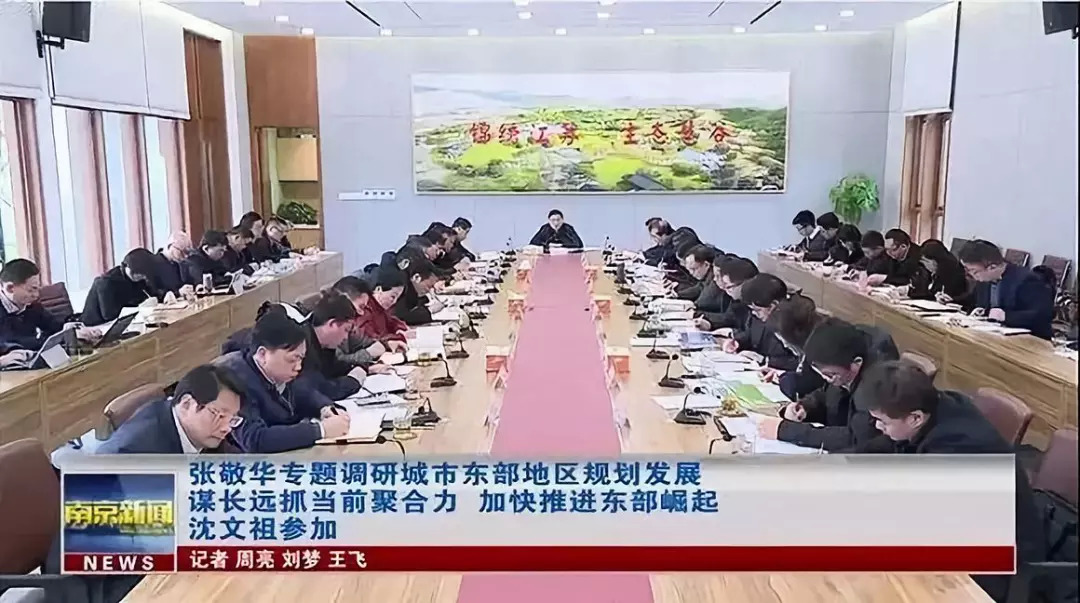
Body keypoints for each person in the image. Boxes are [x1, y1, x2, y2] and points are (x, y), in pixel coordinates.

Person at [852, 361, 1045, 602]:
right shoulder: (936, 407)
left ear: (915, 418)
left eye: (883, 422)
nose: (878, 427)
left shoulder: (957, 446)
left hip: (998, 564)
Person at [217, 310, 350, 453]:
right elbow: (255, 439)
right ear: (263, 354)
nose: (298, 367)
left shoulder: (278, 372)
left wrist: (325, 408)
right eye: (293, 359)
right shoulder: (232, 382)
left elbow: (302, 391)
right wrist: (320, 430)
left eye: (301, 359)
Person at [754, 318, 895, 452]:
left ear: (856, 363)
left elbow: (855, 439)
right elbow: (828, 394)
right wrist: (805, 407)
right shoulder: (841, 370)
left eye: (830, 375)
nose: (826, 379)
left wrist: (787, 431)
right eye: (821, 374)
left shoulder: (877, 387)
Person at [97, 364, 244, 454]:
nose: (226, 428)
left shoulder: (201, 431)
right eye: (220, 416)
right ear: (187, 404)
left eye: (232, 419)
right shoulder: (134, 455)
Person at [958, 239, 1055, 339]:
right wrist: (954, 302)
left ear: (992, 267)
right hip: (992, 334)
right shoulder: (985, 280)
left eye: (974, 271)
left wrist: (1005, 316)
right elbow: (973, 301)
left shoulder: (1026, 280)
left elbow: (1043, 315)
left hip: (1028, 339)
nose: (971, 275)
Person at [714, 259, 797, 371]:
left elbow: (799, 363)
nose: (754, 313)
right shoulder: (758, 314)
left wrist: (765, 360)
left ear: (773, 305)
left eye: (757, 310)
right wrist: (737, 342)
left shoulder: (792, 324)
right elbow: (751, 334)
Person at [293, 291, 367, 407]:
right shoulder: (302, 344)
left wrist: (363, 367)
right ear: (332, 324)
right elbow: (323, 390)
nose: (346, 338)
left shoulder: (323, 344)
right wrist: (354, 380)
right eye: (346, 330)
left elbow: (334, 367)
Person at [330, 276, 405, 367]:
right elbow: (337, 363)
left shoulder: (348, 325)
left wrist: (386, 344)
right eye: (361, 307)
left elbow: (363, 341)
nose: (362, 313)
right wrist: (369, 353)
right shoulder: (330, 326)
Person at [81, 248, 157, 326]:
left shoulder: (139, 279)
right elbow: (109, 315)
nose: (139, 276)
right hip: (97, 325)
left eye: (143, 275)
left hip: (125, 322)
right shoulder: (107, 282)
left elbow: (149, 295)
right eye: (137, 273)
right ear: (126, 266)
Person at [0, 258, 63, 350]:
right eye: (31, 290)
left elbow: (55, 327)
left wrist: (71, 330)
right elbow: (10, 342)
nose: (36, 295)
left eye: (37, 288)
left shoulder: (31, 305)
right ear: (10, 288)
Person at [909, 239, 973, 310]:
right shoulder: (932, 271)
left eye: (926, 262)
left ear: (935, 260)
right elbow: (925, 290)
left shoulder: (953, 271)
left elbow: (937, 295)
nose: (925, 266)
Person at [354, 269, 410, 348]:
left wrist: (400, 328)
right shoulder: (365, 309)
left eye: (397, 298)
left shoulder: (381, 309)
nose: (394, 302)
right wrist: (397, 337)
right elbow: (370, 339)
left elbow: (392, 321)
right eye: (393, 296)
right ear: (378, 289)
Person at [393, 257, 443, 326]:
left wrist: (424, 300)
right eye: (428, 286)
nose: (429, 290)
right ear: (416, 278)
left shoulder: (410, 286)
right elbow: (402, 317)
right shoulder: (402, 287)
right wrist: (430, 310)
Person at [151, 231, 194, 299]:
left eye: (187, 253)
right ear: (170, 246)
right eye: (182, 252)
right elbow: (155, 292)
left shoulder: (178, 264)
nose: (185, 257)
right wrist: (178, 292)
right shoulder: (154, 263)